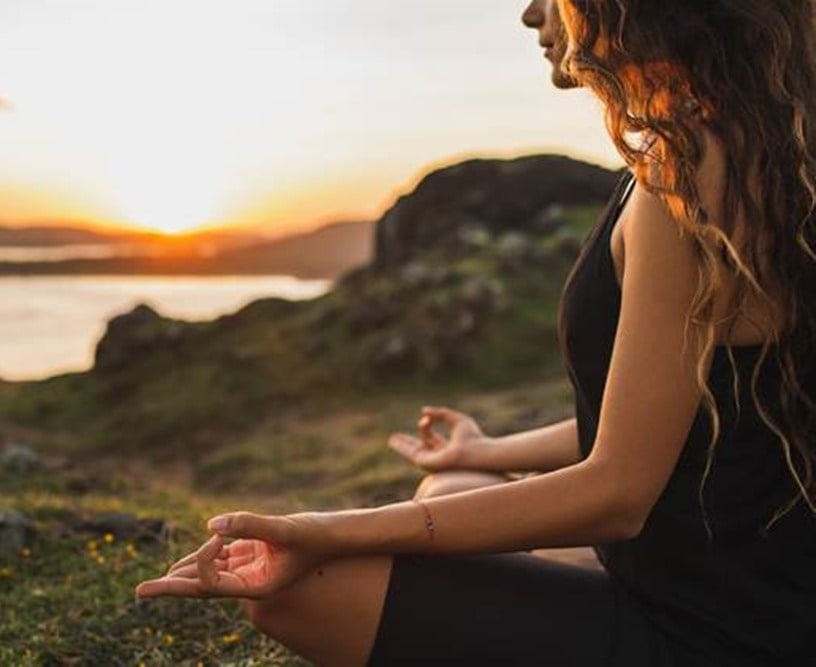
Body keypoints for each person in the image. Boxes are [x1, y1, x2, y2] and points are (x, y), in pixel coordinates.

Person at [134, 1, 816, 665]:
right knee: (455, 483)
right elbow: (676, 416)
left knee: (301, 590)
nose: (530, 14)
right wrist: (492, 447)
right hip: (740, 586)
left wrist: (320, 531)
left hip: (716, 632)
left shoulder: (690, 180)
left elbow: (618, 493)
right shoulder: (748, 150)